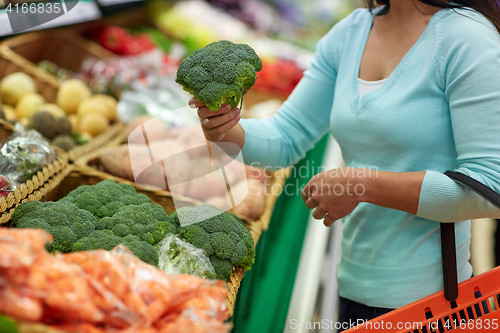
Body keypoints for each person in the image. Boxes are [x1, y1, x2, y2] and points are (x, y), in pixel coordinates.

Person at [190, 0, 500, 329]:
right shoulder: (351, 33)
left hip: (433, 307)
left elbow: (489, 189)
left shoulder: (465, 37)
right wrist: (227, 130)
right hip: (353, 292)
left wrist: (362, 185)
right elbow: (287, 135)